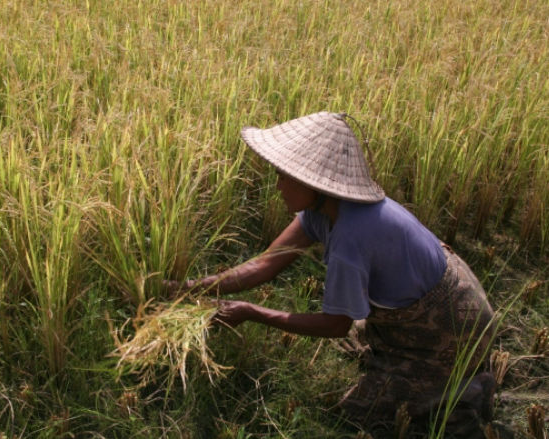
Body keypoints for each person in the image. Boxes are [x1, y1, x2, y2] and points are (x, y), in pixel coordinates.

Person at [166, 112, 496, 437]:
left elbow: (336, 325)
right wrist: (191, 288)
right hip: (421, 299)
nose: (277, 185)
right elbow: (265, 265)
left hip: (453, 323)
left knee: (356, 415)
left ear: (312, 182)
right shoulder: (323, 209)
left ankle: (466, 389)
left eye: (284, 176)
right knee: (369, 355)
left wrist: (251, 312)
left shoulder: (351, 238)